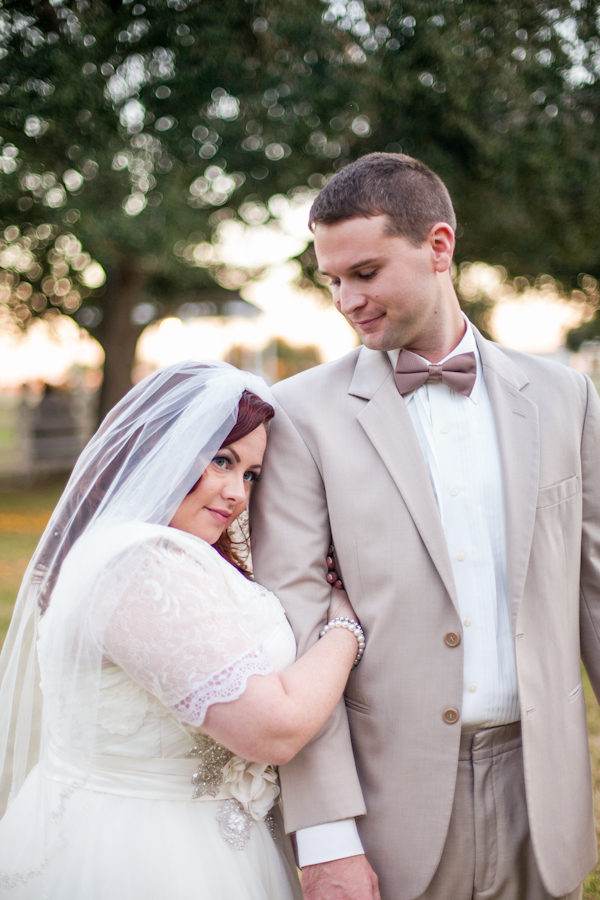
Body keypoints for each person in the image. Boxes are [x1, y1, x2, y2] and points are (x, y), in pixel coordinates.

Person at [250, 152, 600, 900]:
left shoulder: (566, 396)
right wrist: (326, 836)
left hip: (545, 800)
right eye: (332, 279)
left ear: (438, 247)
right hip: (386, 808)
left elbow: (594, 597)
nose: (346, 298)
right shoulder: (302, 416)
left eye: (366, 272)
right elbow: (298, 625)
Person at [0, 361, 364, 900]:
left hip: (204, 839)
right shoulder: (139, 567)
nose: (237, 492)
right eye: (221, 461)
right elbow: (274, 728)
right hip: (141, 854)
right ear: (159, 450)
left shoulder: (163, 553)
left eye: (250, 475)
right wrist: (345, 626)